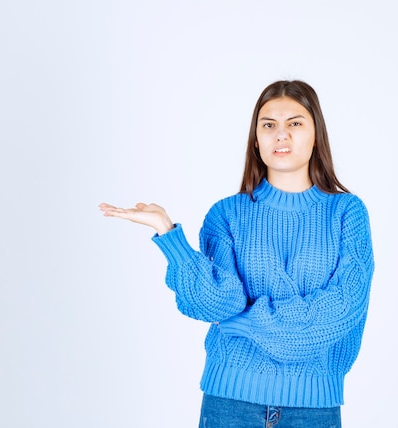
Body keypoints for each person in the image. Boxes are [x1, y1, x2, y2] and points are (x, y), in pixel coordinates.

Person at [99, 80, 375, 428]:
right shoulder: (226, 214)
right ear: (256, 139)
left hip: (314, 409)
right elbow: (216, 303)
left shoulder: (347, 213)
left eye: (295, 123)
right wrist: (170, 236)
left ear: (316, 134)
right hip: (230, 403)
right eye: (269, 125)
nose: (281, 135)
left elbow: (341, 310)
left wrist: (242, 322)